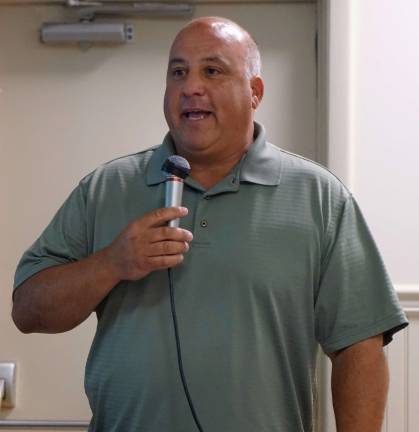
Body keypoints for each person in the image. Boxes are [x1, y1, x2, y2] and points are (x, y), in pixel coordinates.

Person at [12, 16, 408, 432]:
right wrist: (112, 262)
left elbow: (359, 345)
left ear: (254, 92)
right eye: (178, 72)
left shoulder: (320, 197)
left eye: (212, 71)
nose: (191, 87)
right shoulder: (105, 188)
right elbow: (28, 310)